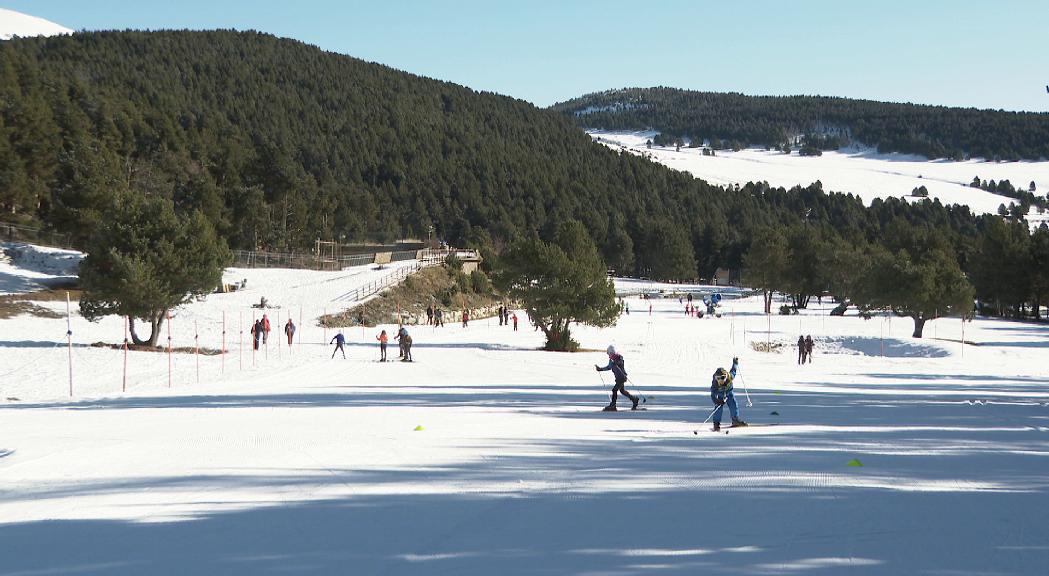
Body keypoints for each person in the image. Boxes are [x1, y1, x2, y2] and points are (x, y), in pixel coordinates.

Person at [595, 345, 639, 411]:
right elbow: (609, 367)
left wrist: (616, 363)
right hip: (618, 378)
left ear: (611, 352)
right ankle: (634, 399)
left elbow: (620, 362)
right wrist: (600, 369)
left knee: (614, 390)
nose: (608, 355)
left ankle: (613, 405)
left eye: (609, 353)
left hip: (622, 377)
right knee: (622, 391)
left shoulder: (619, 357)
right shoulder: (611, 360)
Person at [710, 357, 746, 431]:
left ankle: (735, 419)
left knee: (733, 404)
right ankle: (716, 423)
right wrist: (716, 401)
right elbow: (713, 394)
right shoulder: (715, 384)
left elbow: (733, 370)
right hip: (720, 395)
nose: (720, 380)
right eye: (718, 378)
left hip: (729, 393)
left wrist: (735, 363)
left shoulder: (730, 377)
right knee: (718, 408)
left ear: (725, 377)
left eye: (722, 378)